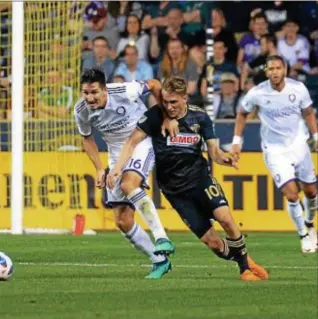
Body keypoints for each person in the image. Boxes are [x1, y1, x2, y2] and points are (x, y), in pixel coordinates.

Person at [108, 76, 269, 281]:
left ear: (185, 98)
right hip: (175, 191)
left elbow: (214, 151)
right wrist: (117, 168)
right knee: (214, 244)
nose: (168, 106)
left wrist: (224, 158)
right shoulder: (155, 116)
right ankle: (244, 259)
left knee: (225, 218)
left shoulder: (200, 117)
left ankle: (245, 268)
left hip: (201, 180)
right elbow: (131, 143)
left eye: (173, 102)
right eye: (165, 101)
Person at [74, 68, 175, 279]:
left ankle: (161, 238)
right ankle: (160, 261)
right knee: (122, 220)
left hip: (141, 140)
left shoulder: (125, 90)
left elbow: (155, 84)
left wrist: (165, 117)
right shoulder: (81, 110)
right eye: (86, 93)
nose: (90, 98)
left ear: (105, 89)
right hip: (116, 153)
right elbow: (86, 138)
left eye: (94, 92)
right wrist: (100, 168)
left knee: (128, 184)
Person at [232, 55, 318, 253]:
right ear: (266, 71)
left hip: (299, 146)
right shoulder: (257, 93)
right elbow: (242, 113)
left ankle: (310, 223)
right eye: (271, 69)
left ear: (285, 70)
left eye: (278, 68)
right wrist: (237, 142)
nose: (274, 72)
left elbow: (309, 113)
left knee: (312, 192)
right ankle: (303, 234)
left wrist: (316, 135)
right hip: (275, 150)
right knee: (292, 194)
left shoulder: (298, 89)